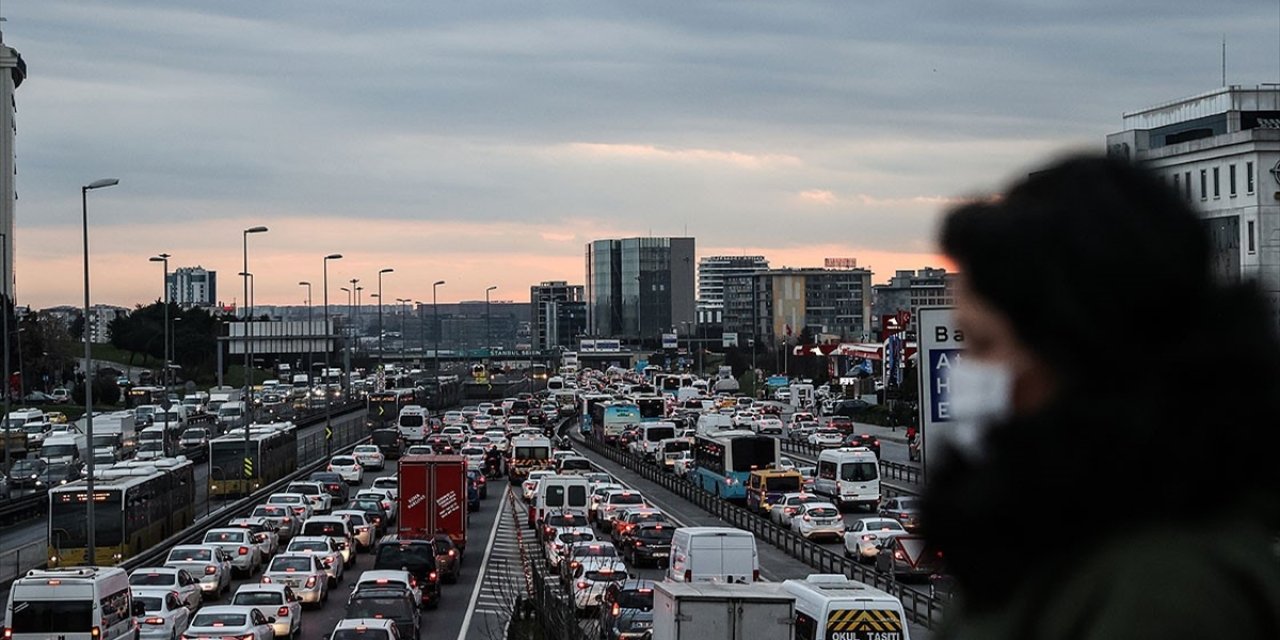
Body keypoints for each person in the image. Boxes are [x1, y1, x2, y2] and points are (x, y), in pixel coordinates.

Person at [922, 155, 1280, 639]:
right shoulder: (1040, 533)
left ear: (1075, 349)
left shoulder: (1164, 592)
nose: (966, 370)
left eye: (983, 344)